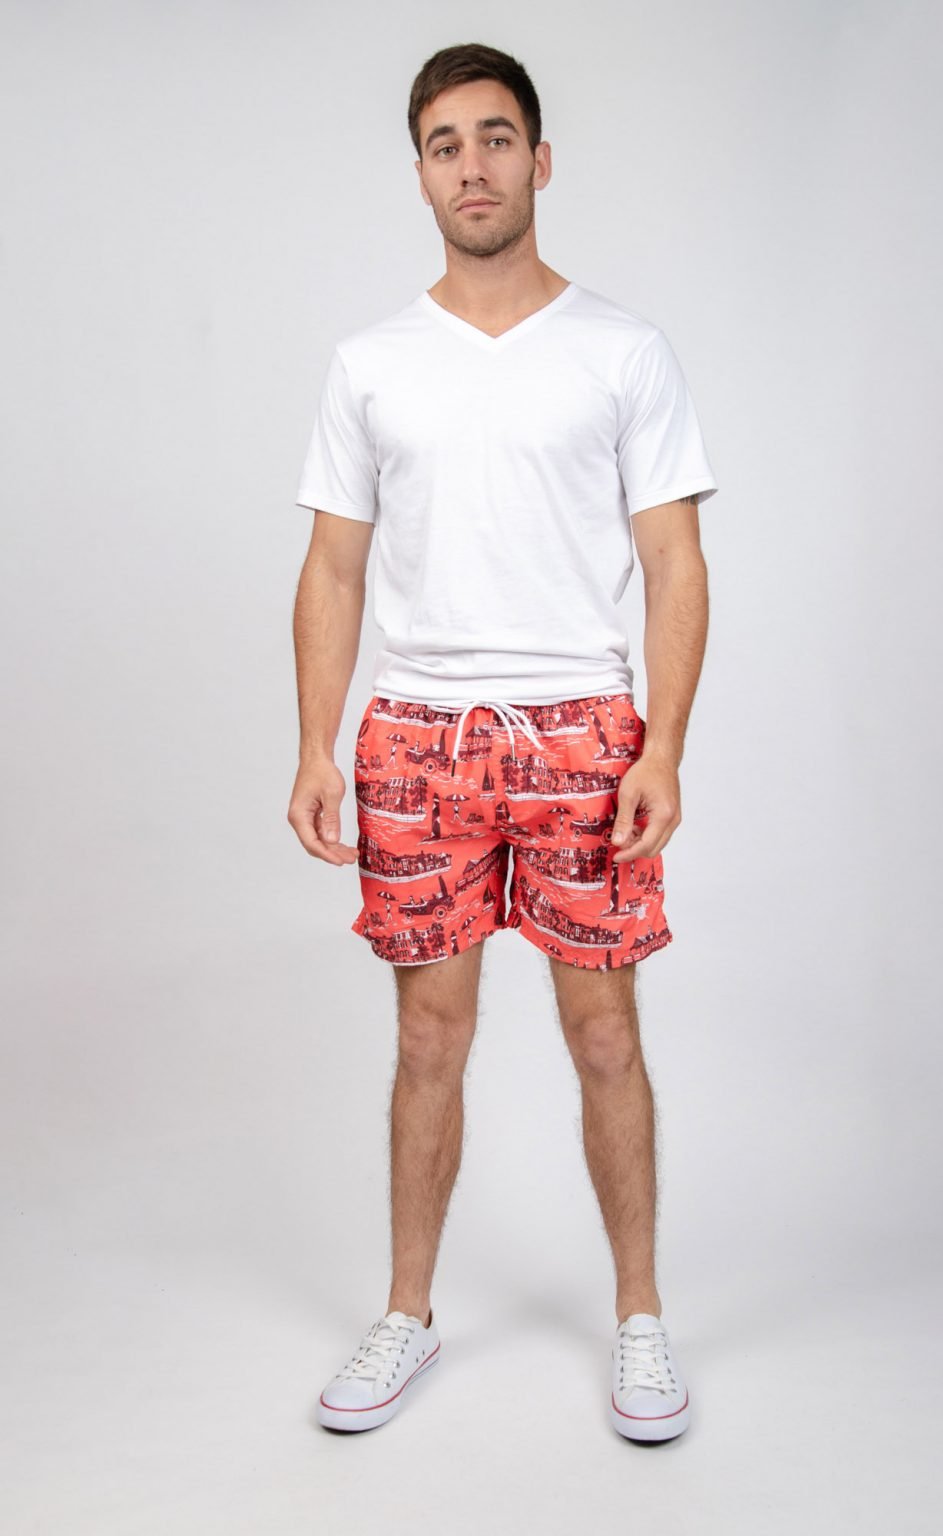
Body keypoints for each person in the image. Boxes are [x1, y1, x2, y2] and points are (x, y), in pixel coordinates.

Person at [288, 42, 718, 1443]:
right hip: (417, 737)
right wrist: (316, 744)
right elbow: (334, 568)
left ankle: (640, 1321)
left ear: (540, 158)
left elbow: (675, 559)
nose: (470, 166)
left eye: (492, 138)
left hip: (583, 732)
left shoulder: (622, 350)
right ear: (419, 176)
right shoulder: (371, 364)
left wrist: (662, 748)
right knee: (430, 1037)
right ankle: (407, 1314)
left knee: (604, 1032)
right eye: (443, 145)